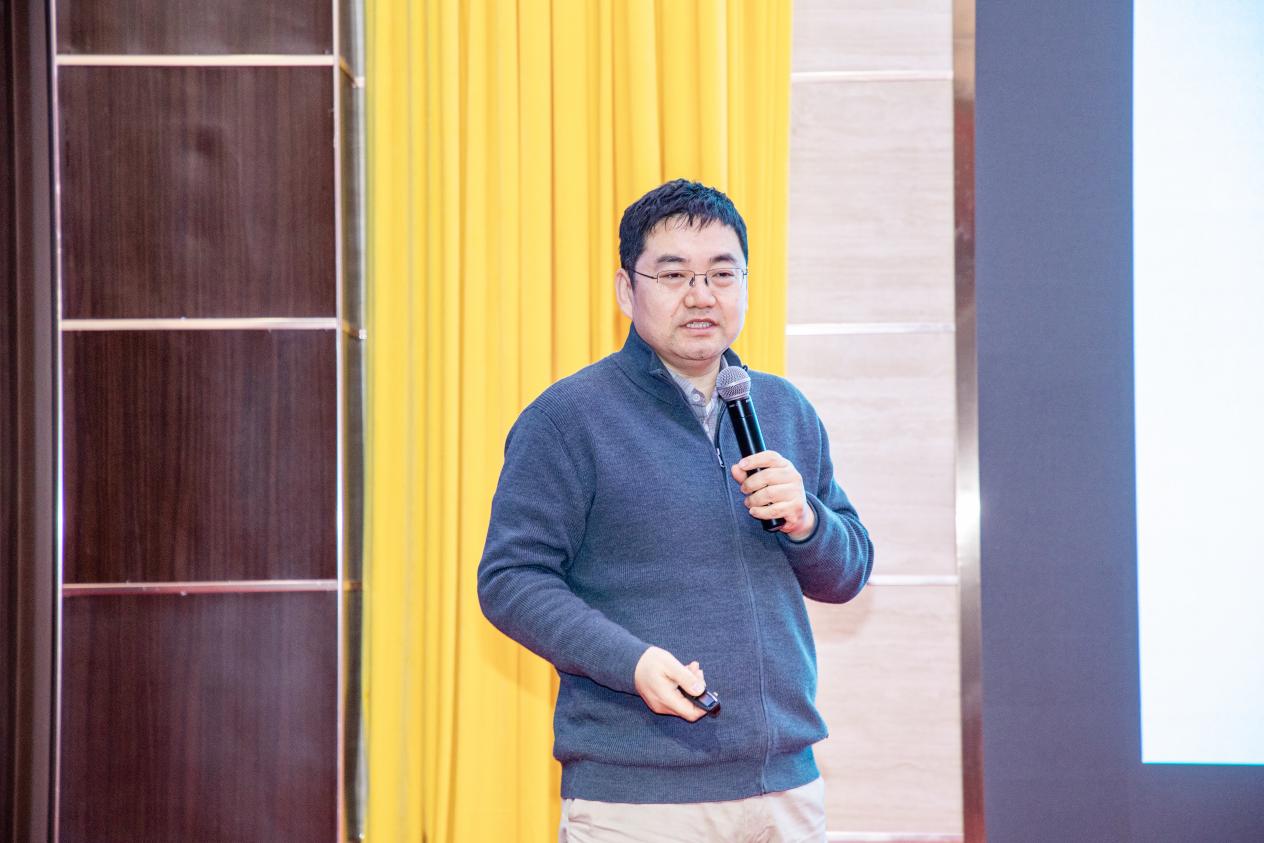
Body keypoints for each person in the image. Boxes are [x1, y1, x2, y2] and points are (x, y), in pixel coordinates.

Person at [478, 179, 873, 842]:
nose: (701, 294)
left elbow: (847, 574)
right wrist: (630, 662)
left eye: (721, 273)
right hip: (637, 797)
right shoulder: (568, 418)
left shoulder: (783, 408)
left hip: (785, 790)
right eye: (673, 274)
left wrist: (808, 522)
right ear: (626, 290)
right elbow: (511, 580)